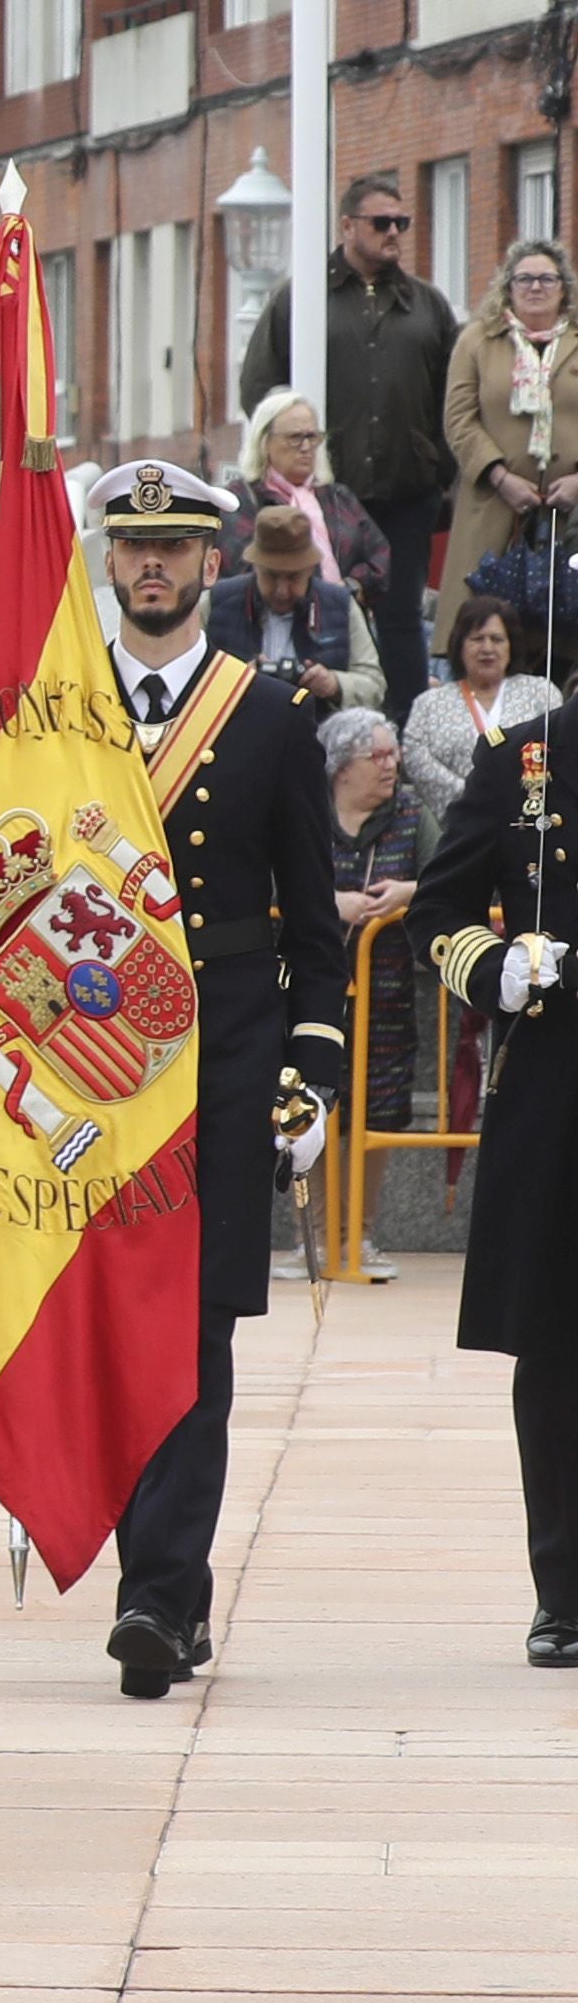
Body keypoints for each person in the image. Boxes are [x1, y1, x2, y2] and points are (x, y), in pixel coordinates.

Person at [89, 461, 351, 1696]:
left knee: (194, 1334)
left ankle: (161, 1597)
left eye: (175, 549)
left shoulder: (267, 717)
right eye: (133, 547)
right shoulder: (65, 715)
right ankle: (153, 1583)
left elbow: (314, 923)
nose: (153, 566)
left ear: (213, 566)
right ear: (111, 563)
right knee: (109, 1329)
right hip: (93, 1072)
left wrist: (313, 1066)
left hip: (227, 1057)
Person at [414, 682, 578, 1659]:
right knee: (557, 1346)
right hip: (558, 1079)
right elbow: (440, 905)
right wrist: (496, 969)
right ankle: (562, 1590)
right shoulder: (526, 754)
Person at [239, 165, 457, 699]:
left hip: (407, 492)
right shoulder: (303, 298)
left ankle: (402, 731)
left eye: (402, 222)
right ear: (347, 226)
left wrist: (440, 471)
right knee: (326, 608)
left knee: (403, 617)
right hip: (328, 497)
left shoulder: (426, 304)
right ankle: (325, 718)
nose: (394, 233)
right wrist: (290, 455)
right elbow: (260, 388)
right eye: (381, 221)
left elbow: (454, 397)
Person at [324, 705, 418, 1280]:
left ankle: (361, 1234)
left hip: (387, 992)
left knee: (377, 1108)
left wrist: (410, 888)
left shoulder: (412, 812)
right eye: (376, 756)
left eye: (393, 753)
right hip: (316, 989)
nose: (390, 765)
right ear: (341, 769)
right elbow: (275, 876)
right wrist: (328, 903)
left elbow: (453, 874)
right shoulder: (308, 815)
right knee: (313, 1105)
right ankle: (317, 1240)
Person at [446, 237, 578, 613]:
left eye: (547, 279)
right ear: (508, 287)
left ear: (564, 288)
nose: (535, 287)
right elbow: (458, 418)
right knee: (488, 625)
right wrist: (500, 477)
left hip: (571, 514)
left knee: (564, 632)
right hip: (495, 507)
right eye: (524, 279)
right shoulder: (477, 341)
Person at [406, 589, 558, 850]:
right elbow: (415, 757)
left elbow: (559, 750)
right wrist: (477, 798)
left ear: (511, 645)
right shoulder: (430, 703)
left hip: (527, 830)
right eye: (477, 639)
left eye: (497, 639)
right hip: (455, 832)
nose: (487, 648)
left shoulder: (540, 693)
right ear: (459, 645)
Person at [206, 501, 386, 713]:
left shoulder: (342, 606)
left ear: (310, 569)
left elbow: (374, 684)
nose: (282, 590)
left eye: (293, 577)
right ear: (255, 567)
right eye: (271, 576)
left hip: (318, 734)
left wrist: (335, 684)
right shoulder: (215, 602)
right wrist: (235, 681)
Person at [231, 393, 396, 620]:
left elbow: (380, 555)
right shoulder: (241, 500)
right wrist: (312, 592)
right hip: (267, 627)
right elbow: (243, 569)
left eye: (312, 436)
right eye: (295, 437)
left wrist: (350, 587)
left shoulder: (338, 497)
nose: (306, 447)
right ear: (264, 442)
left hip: (342, 623)